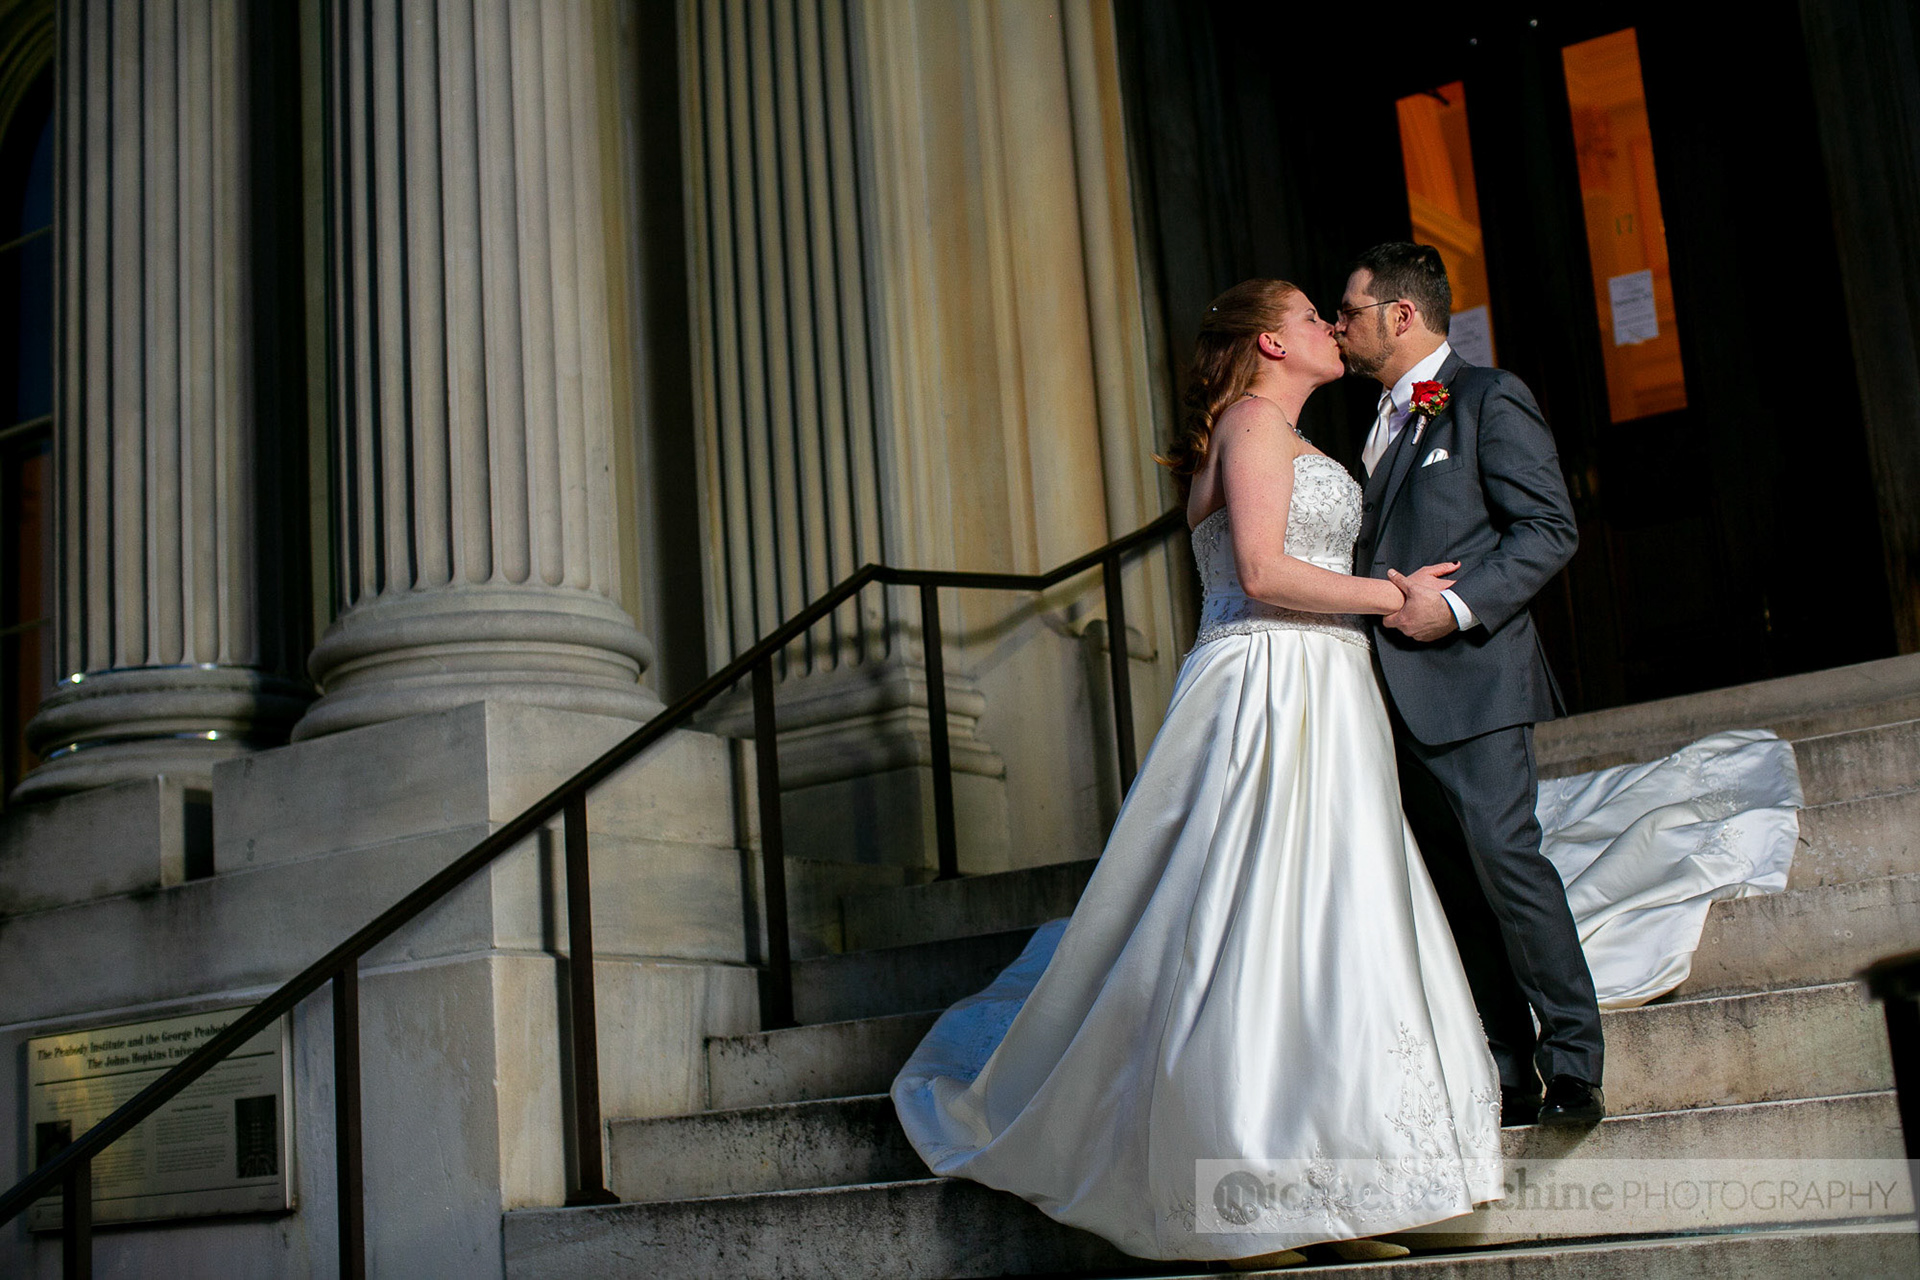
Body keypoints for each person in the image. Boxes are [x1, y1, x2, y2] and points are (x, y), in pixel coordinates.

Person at [891, 279, 1503, 1264]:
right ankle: (1244, 1192)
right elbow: (1262, 571)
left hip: (1321, 686)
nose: (1328, 328)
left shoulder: (1273, 429)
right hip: (1270, 685)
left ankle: (1334, 1187)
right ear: (1267, 343)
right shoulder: (1256, 426)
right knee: (1256, 918)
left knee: (1326, 926)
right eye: (1310, 316)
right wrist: (1391, 592)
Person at [1334, 242, 1603, 1128]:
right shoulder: (1369, 421)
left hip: (1475, 680)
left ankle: (1573, 1065)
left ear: (1400, 315)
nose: (1340, 326)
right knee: (1455, 887)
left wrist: (1449, 608)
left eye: (1352, 311)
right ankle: (1509, 1067)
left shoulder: (1488, 398)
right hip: (1391, 695)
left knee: (1507, 866)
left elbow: (1549, 528)